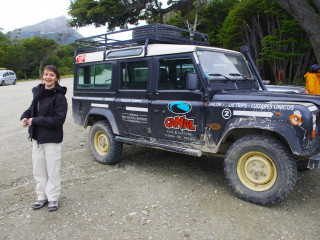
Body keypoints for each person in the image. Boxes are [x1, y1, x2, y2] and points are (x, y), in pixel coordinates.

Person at [20, 65, 68, 212]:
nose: (48, 77)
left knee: (52, 169)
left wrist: (34, 121)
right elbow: (32, 109)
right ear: (43, 76)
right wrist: (24, 117)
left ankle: (53, 197)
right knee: (39, 169)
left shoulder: (59, 97)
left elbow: (58, 120)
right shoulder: (38, 92)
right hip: (37, 138)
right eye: (46, 74)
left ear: (57, 78)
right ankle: (41, 196)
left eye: (52, 75)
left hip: (52, 139)